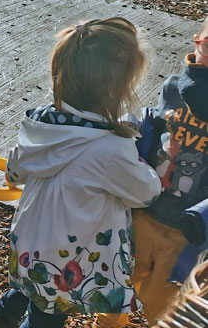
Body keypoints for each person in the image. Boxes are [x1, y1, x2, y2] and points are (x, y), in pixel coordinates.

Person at [0, 18, 161, 328]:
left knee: (28, 284)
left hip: (29, 239)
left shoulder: (41, 121)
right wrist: (147, 163)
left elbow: (15, 171)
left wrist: (12, 174)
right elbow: (146, 192)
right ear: (114, 88)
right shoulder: (111, 148)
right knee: (47, 317)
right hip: (66, 256)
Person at [94, 16, 208, 327]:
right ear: (196, 43)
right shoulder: (173, 87)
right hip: (147, 211)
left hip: (186, 234)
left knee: (163, 302)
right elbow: (153, 124)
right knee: (120, 285)